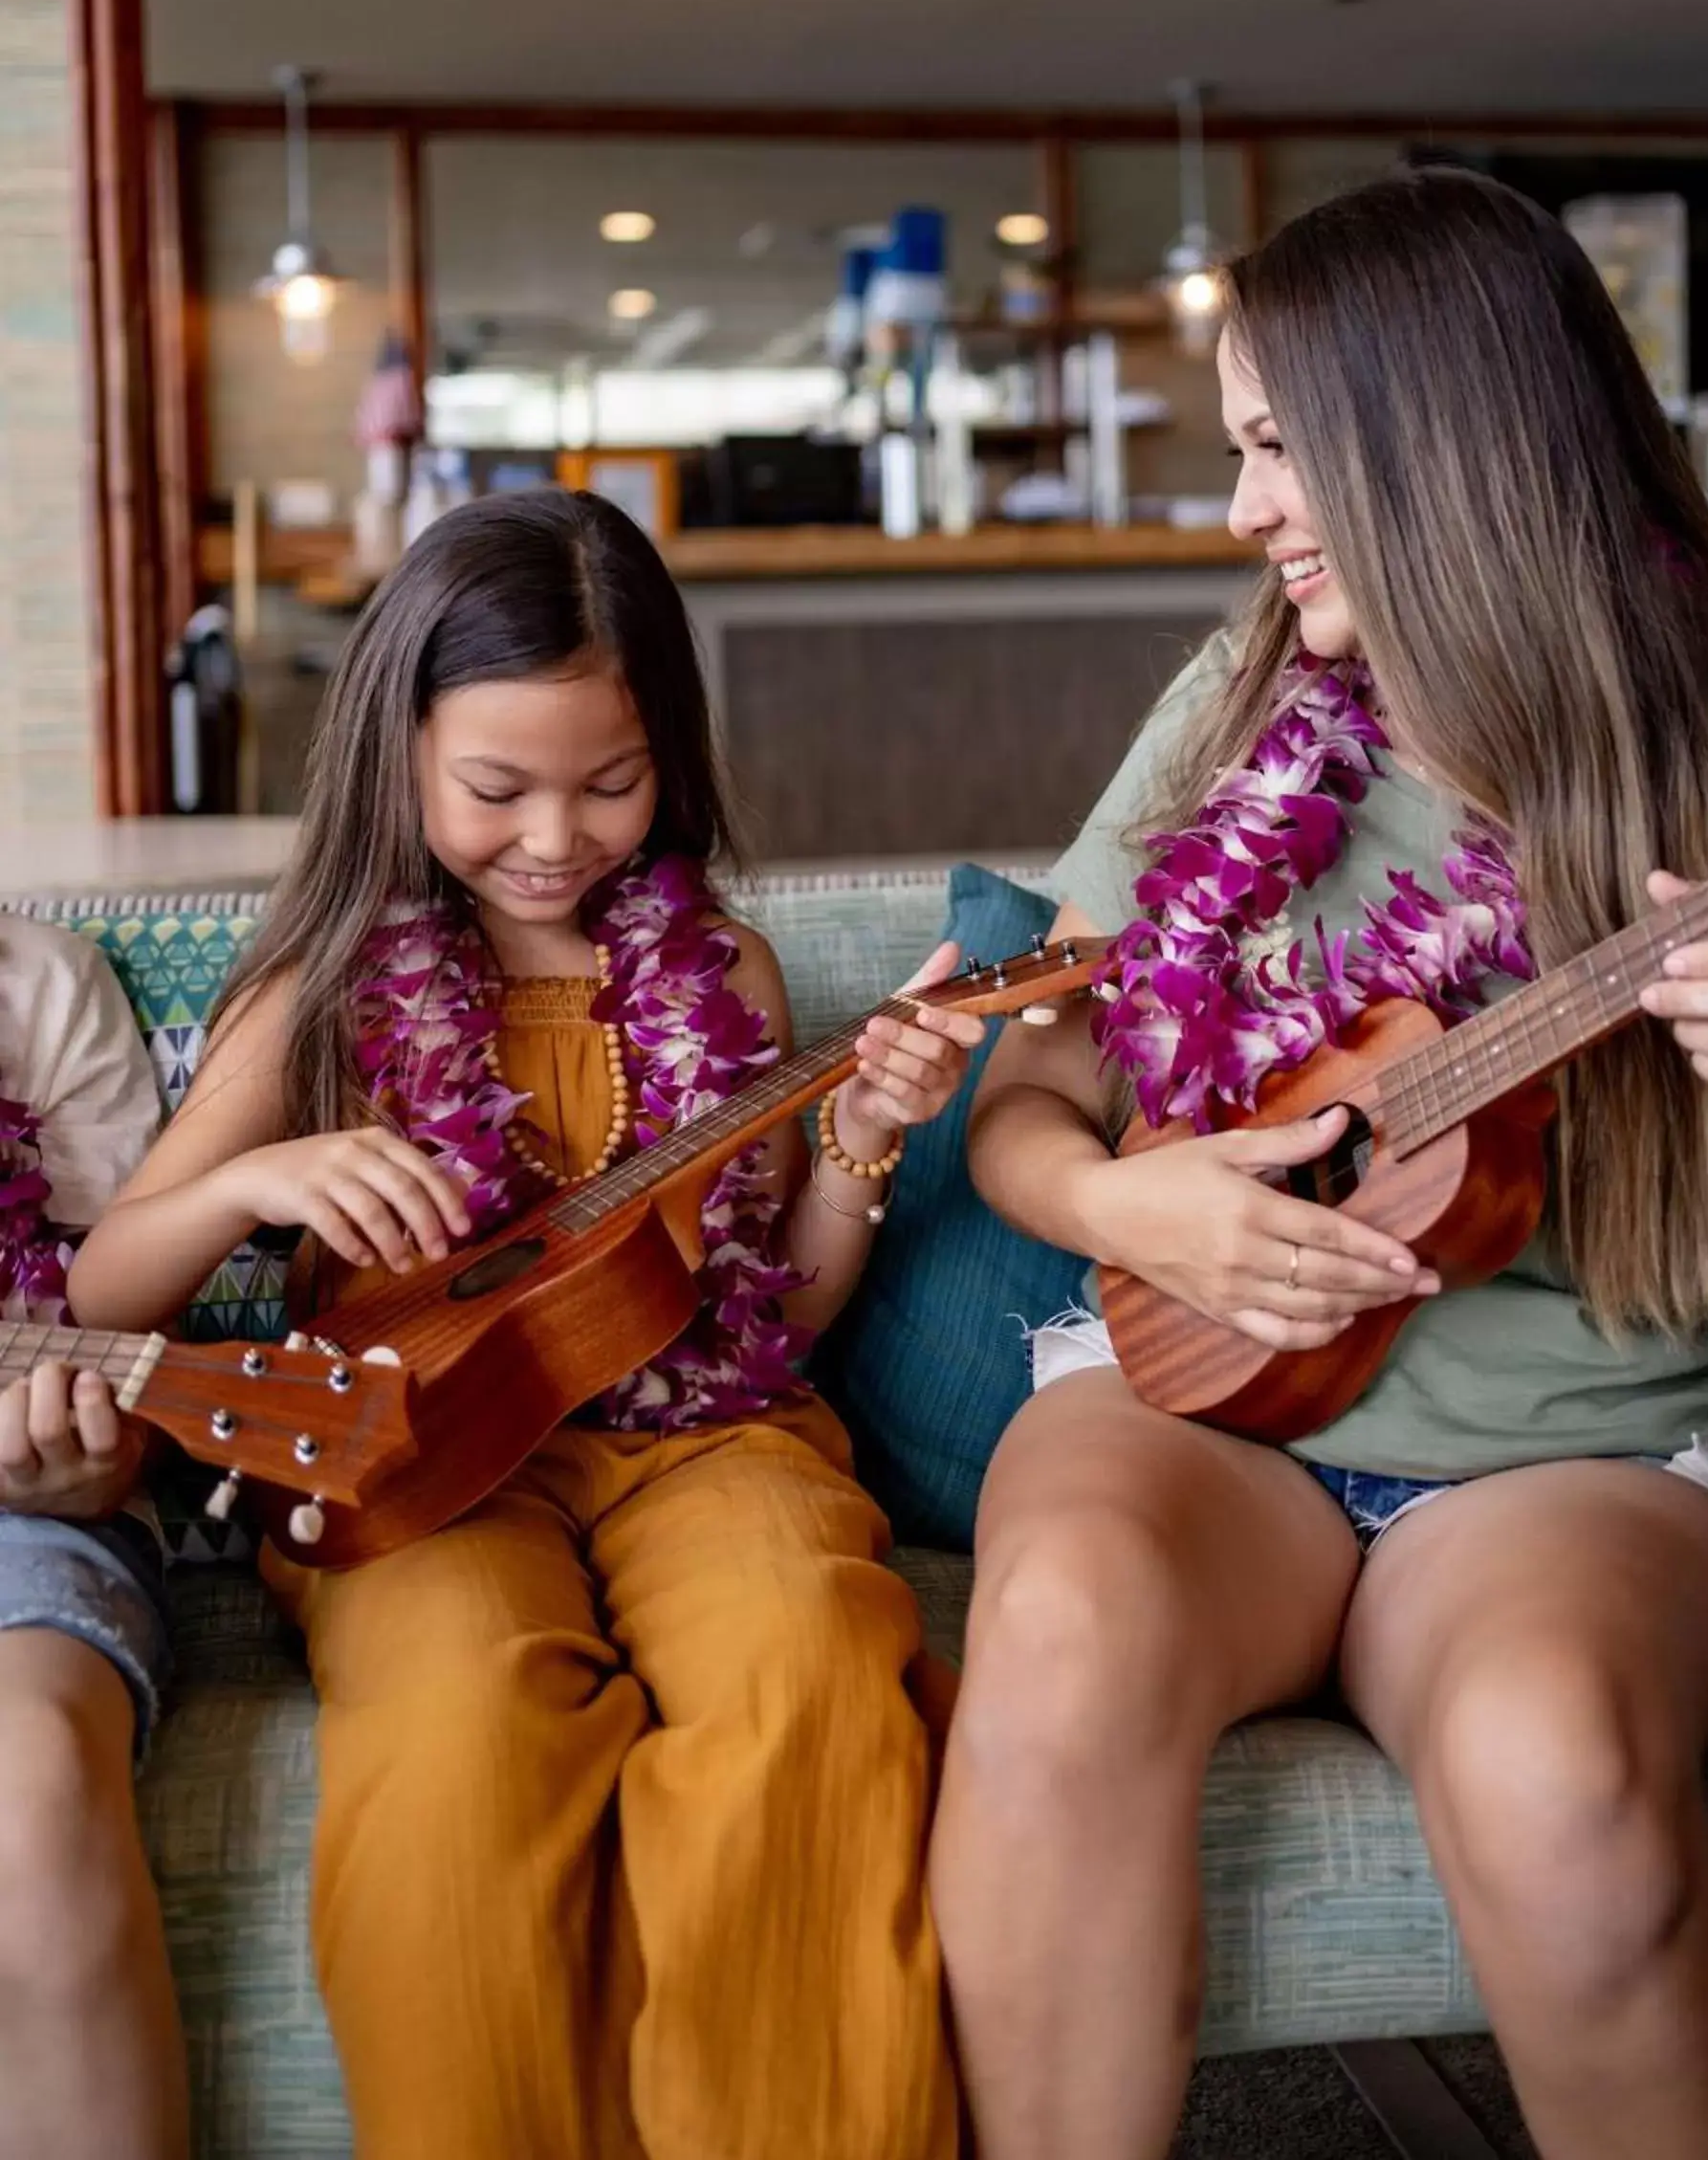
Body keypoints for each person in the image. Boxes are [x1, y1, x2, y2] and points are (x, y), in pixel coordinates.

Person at [929, 167, 1708, 2160]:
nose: (1241, 512)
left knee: (1556, 1762)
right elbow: (1026, 1089)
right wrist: (1127, 1202)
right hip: (1196, 1407)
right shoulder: (1239, 709)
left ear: (1435, 440)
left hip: (1582, 1455)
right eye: (1238, 452)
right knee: (1053, 1630)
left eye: (1281, 447)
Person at [70, 489, 981, 2160]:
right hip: (419, 1464)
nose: (556, 836)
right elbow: (102, 1292)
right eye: (497, 789)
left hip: (704, 1442)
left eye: (610, 783)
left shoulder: (732, 980)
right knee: (458, 1732)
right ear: (399, 756)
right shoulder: (324, 991)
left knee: (813, 1671)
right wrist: (255, 1179)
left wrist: (861, 1140)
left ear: (669, 757)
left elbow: (785, 1304)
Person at [0, 915, 182, 2160]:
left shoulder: (37, 987)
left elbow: (134, 1373)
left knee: (34, 1775)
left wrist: (93, 1463)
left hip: (21, 1519)